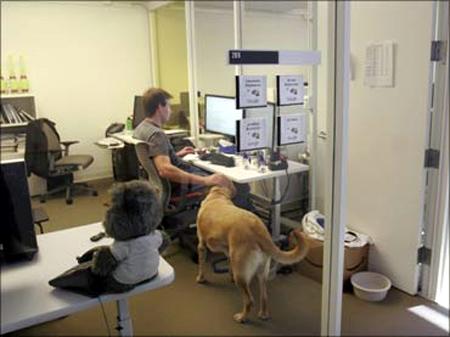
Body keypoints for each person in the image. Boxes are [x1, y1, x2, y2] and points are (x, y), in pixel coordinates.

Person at [133, 87, 254, 210]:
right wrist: (205, 180)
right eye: (168, 107)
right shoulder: (157, 134)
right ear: (160, 107)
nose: (170, 111)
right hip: (181, 186)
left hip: (167, 185)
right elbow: (165, 170)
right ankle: (240, 224)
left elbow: (155, 161)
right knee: (238, 185)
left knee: (219, 176)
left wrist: (176, 155)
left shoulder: (141, 129)